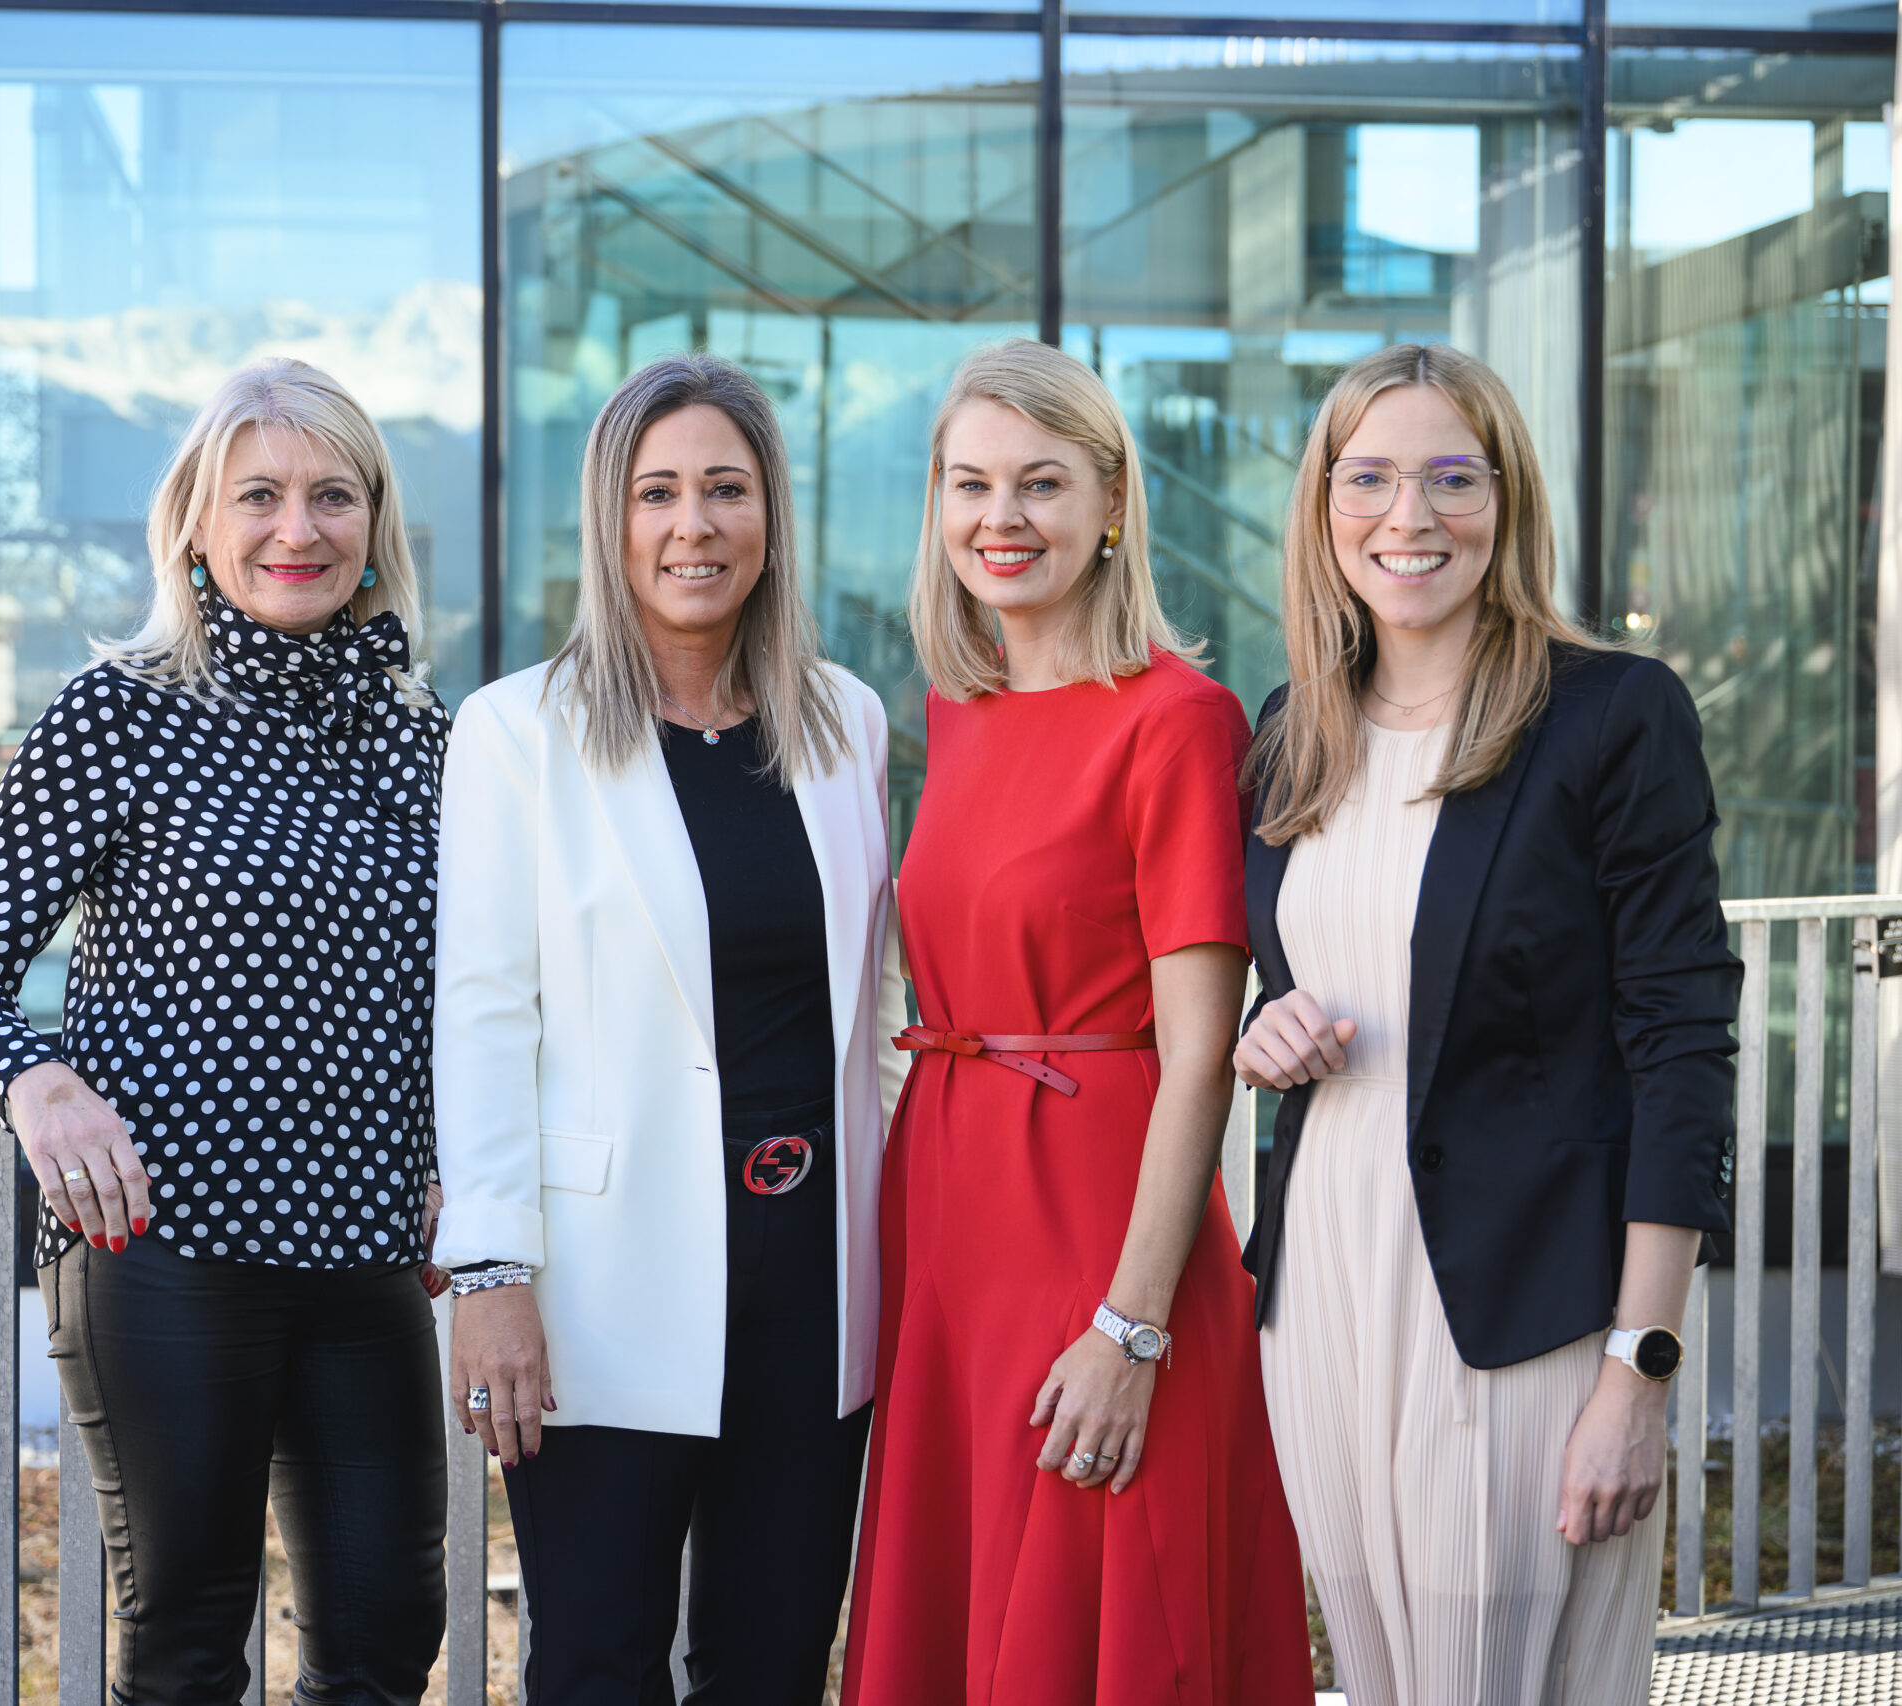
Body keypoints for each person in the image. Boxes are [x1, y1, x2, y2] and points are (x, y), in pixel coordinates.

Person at [0, 357, 450, 1703]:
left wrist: (453, 1152)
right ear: (195, 522)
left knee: (387, 1636)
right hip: (167, 1244)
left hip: (369, 1248)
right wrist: (36, 1081)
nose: (296, 529)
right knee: (191, 1647)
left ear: (374, 525)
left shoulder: (424, 740)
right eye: (257, 494)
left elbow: (461, 987)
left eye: (332, 495)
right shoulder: (120, 715)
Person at [1234, 342, 1737, 1704]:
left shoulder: (1612, 716)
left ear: (1507, 502)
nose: (1412, 517)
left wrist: (1640, 1369)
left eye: (1454, 478)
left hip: (1519, 1311)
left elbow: (1682, 1045)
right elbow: (1320, 979)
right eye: (1373, 478)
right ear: (1324, 506)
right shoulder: (1291, 735)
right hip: (1325, 1290)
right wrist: (1262, 1034)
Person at [842, 338, 1313, 1706]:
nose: (1004, 518)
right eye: (972, 483)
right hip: (952, 1225)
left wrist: (1132, 1323)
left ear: (1112, 502)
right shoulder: (956, 712)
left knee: (1102, 1624)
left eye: (1041, 483)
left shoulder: (1180, 719)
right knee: (964, 1608)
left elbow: (1198, 1063)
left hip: (1103, 1235)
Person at [433, 352, 904, 1706]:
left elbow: (873, 1003)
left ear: (771, 516)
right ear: (611, 519)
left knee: (768, 1664)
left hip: (814, 1277)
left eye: (725, 489)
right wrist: (490, 1269)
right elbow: (481, 1013)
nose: (693, 526)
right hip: (598, 1284)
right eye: (658, 493)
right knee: (594, 1661)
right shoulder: (517, 732)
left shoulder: (847, 721)